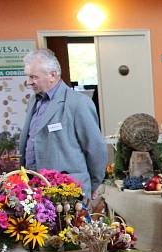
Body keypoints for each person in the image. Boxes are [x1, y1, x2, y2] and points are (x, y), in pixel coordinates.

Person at [19, 48, 107, 209]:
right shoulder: (34, 101)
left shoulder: (78, 103)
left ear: (52, 75)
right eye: (28, 76)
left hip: (69, 192)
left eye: (33, 77)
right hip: (36, 189)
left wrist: (93, 184)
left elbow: (96, 149)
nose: (29, 82)